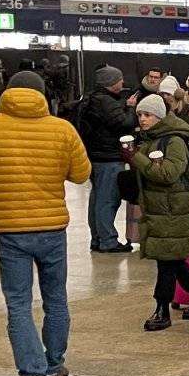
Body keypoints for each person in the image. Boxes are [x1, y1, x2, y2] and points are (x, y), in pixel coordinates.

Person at [0, 69, 91, 376]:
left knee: (19, 303)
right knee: (56, 298)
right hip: (52, 228)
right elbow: (81, 174)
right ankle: (53, 365)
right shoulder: (62, 128)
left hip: (10, 230)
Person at [132, 94, 189, 331]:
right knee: (172, 259)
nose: (143, 120)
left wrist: (135, 158)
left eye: (147, 115)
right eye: (139, 115)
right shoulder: (150, 139)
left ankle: (161, 310)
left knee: (166, 262)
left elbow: (168, 174)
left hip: (173, 209)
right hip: (160, 208)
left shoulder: (174, 141)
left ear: (159, 116)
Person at [77, 64, 136, 253]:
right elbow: (124, 124)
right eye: (119, 79)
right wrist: (131, 109)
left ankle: (97, 238)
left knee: (97, 199)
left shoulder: (91, 98)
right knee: (108, 200)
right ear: (111, 83)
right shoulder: (107, 102)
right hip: (109, 157)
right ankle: (108, 241)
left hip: (94, 156)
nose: (123, 82)